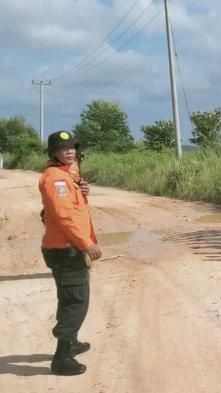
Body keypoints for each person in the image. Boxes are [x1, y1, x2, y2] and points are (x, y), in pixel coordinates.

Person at [39, 131, 102, 375]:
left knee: (71, 297)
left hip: (68, 247)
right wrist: (86, 243)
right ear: (53, 152)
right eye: (64, 148)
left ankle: (71, 340)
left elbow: (73, 203)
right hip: (66, 249)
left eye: (72, 147)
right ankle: (62, 358)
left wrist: (83, 189)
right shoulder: (54, 179)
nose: (70, 151)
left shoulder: (69, 172)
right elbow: (64, 217)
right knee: (75, 301)